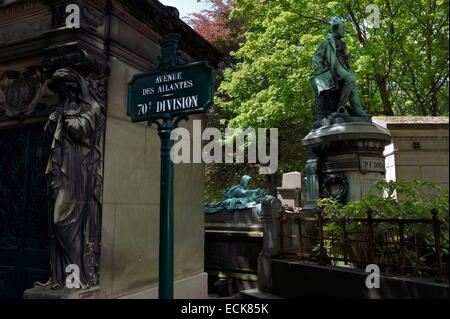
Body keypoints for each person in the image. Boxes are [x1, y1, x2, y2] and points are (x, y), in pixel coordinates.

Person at [312, 16, 369, 116]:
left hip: (344, 66)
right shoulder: (326, 42)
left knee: (353, 84)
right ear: (336, 29)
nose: (344, 31)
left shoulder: (343, 44)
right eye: (342, 28)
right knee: (350, 79)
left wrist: (346, 57)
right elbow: (317, 57)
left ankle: (358, 110)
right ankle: (340, 107)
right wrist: (319, 70)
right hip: (334, 66)